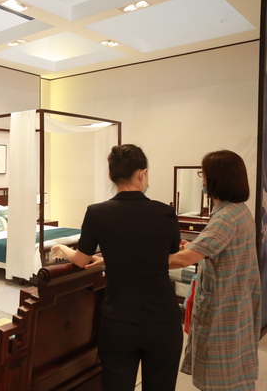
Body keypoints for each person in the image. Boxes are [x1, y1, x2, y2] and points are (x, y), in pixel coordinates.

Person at [51, 144, 183, 391]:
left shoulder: (97, 212)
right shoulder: (165, 212)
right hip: (163, 320)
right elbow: (165, 257)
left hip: (119, 321)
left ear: (111, 176)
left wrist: (62, 249)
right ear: (142, 173)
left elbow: (81, 260)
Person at [169, 150, 261, 391]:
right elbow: (216, 248)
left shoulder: (225, 218)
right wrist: (194, 246)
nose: (203, 180)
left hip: (224, 308)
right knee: (234, 370)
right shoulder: (239, 210)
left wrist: (137, 258)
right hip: (236, 300)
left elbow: (183, 260)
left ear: (219, 178)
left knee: (220, 375)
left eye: (204, 174)